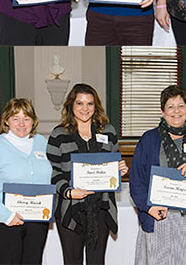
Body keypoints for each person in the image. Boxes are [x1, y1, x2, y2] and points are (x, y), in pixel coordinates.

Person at [130, 85, 186, 264]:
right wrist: (148, 208)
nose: (176, 111)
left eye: (181, 106)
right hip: (158, 215)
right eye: (170, 106)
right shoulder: (149, 139)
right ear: (162, 111)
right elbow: (137, 180)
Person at [47, 83, 128, 264]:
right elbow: (52, 171)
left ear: (96, 106)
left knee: (97, 261)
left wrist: (119, 170)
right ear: (71, 106)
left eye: (90, 104)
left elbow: (113, 162)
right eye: (80, 103)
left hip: (101, 206)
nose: (85, 108)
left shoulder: (108, 131)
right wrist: (69, 191)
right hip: (71, 207)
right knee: (72, 260)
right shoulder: (59, 134)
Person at [0, 98, 52, 264]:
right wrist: (6, 216)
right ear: (7, 121)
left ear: (33, 121)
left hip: (37, 219)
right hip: (4, 220)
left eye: (26, 118)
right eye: (16, 118)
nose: (21, 123)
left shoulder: (42, 143)